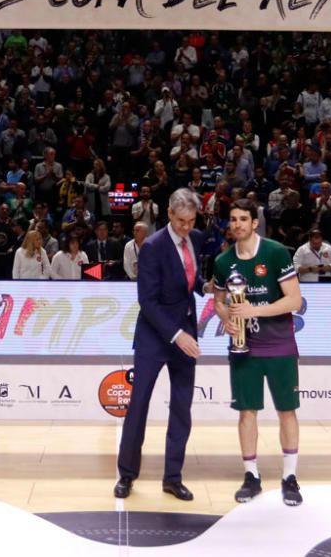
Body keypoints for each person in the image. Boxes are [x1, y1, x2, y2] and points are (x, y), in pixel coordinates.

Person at [115, 189, 206, 502]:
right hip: (156, 336)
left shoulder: (198, 237)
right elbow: (147, 302)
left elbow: (193, 279)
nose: (185, 227)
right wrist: (176, 334)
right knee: (138, 404)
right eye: (181, 221)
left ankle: (173, 477)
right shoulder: (152, 247)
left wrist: (210, 287)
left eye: (191, 221)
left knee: (182, 409)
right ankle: (127, 474)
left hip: (187, 334)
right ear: (169, 213)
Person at [212, 199, 305, 506]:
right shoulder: (223, 262)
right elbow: (220, 301)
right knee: (247, 411)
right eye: (233, 219)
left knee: (286, 411)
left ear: (254, 223)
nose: (237, 224)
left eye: (243, 219)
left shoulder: (276, 252)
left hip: (279, 344)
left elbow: (293, 300)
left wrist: (255, 309)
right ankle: (251, 476)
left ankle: (289, 478)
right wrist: (228, 319)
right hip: (244, 348)